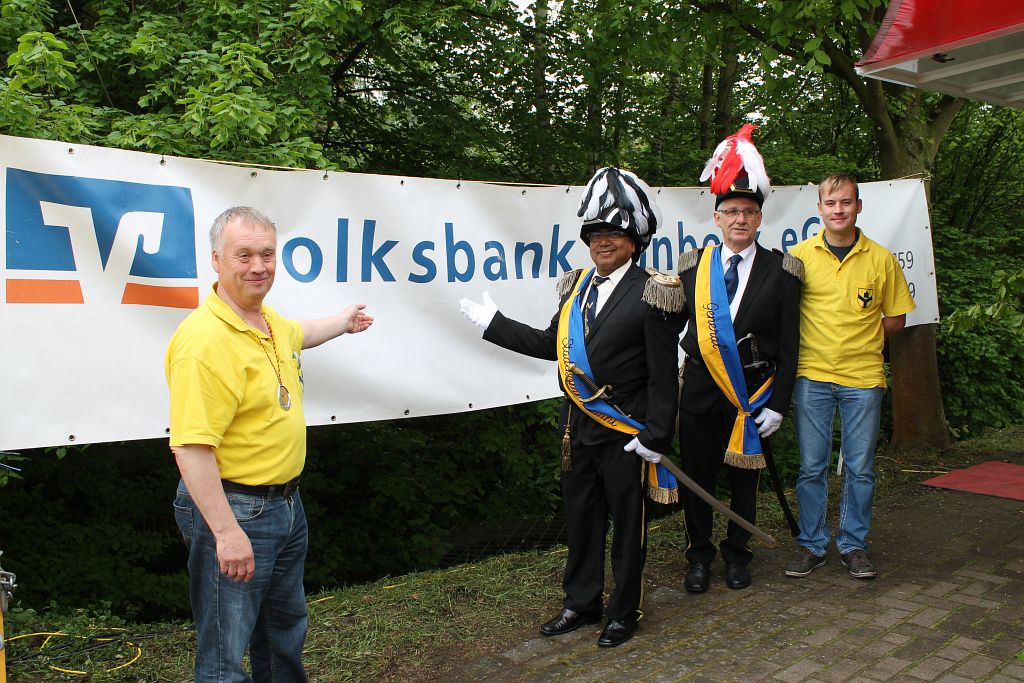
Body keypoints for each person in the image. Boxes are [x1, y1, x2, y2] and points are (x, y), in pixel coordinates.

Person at [459, 168, 684, 648]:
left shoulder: (653, 290)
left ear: (633, 240)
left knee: (628, 527)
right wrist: (495, 323)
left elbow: (664, 375)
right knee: (582, 520)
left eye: (614, 233)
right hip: (577, 429)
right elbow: (551, 345)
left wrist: (657, 434)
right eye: (595, 234)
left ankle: (624, 611)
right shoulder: (577, 288)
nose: (603, 241)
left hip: (626, 433)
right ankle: (582, 603)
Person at [166, 206, 373, 682]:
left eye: (267, 254)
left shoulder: (265, 321)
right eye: (244, 255)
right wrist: (226, 534)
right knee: (224, 654)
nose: (258, 266)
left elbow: (301, 334)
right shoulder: (204, 342)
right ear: (216, 260)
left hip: (284, 504)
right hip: (235, 509)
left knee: (283, 633)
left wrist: (342, 322)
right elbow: (191, 449)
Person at [677, 125, 802, 593]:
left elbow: (790, 348)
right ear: (717, 217)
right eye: (731, 211)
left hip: (750, 394)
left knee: (745, 482)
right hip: (699, 392)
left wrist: (779, 405)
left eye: (749, 211)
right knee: (698, 479)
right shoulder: (693, 267)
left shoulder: (783, 271)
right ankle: (698, 557)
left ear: (760, 217)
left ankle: (737, 555)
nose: (740, 219)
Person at [785, 173, 915, 580]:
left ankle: (853, 544)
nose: (838, 210)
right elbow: (783, 314)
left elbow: (895, 318)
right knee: (812, 466)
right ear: (819, 209)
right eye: (831, 203)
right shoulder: (798, 257)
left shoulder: (881, 259)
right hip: (812, 376)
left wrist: (860, 339)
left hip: (863, 377)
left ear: (858, 206)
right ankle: (812, 544)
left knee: (860, 468)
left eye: (846, 202)